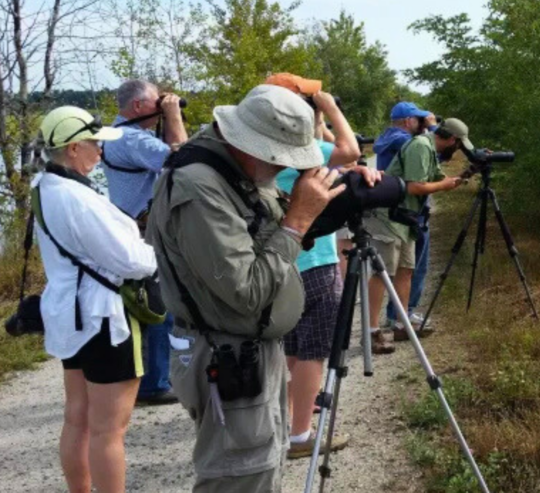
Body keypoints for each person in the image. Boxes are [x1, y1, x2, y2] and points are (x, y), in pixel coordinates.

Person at [146, 85, 344, 492]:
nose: (282, 169)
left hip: (246, 344)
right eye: (280, 160)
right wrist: (297, 221)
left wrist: (324, 201)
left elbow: (259, 231)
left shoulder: (231, 169)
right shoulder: (200, 186)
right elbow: (246, 289)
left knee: (261, 465)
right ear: (252, 147)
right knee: (239, 476)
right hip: (226, 351)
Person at [35, 106, 158, 493]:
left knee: (78, 418)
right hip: (103, 317)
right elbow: (128, 260)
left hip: (69, 314)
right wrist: (159, 257)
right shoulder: (79, 198)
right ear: (72, 149)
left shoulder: (43, 185)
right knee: (109, 429)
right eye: (94, 144)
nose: (100, 152)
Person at [264, 73, 377, 459]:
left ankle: (286, 422)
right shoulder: (303, 147)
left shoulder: (262, 146)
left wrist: (317, 118)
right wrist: (328, 107)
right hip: (315, 260)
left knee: (291, 346)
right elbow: (349, 150)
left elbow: (337, 157)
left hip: (280, 259)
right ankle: (300, 436)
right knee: (313, 349)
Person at [102, 79, 188, 405]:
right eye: (157, 102)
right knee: (157, 304)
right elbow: (183, 159)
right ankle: (153, 384)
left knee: (142, 304)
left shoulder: (120, 133)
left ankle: (142, 377)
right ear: (138, 106)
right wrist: (174, 117)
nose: (163, 106)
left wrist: (165, 115)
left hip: (130, 228)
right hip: (140, 233)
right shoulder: (131, 137)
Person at [364, 118, 471, 352]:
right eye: (459, 145)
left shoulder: (430, 149)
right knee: (383, 273)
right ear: (452, 139)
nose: (459, 149)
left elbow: (438, 179)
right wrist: (444, 186)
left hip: (405, 217)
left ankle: (402, 322)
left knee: (405, 270)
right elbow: (415, 186)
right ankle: (371, 331)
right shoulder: (421, 146)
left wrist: (468, 172)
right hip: (388, 215)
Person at [373, 102, 439, 334]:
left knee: (403, 267)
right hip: (407, 211)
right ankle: (402, 313)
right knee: (412, 267)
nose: (423, 125)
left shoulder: (389, 137)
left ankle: (400, 313)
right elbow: (436, 151)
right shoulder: (407, 141)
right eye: (419, 120)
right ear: (408, 121)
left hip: (396, 210)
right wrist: (433, 128)